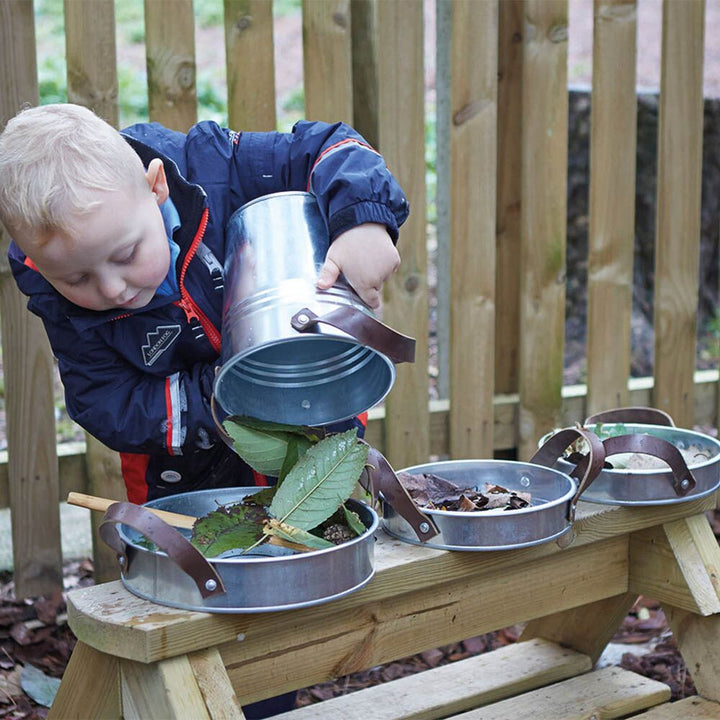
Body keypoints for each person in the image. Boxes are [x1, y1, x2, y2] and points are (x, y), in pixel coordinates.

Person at [0, 103, 409, 506]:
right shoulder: (62, 305)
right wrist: (227, 392)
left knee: (314, 539)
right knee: (205, 560)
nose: (110, 289)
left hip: (311, 417)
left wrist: (362, 221)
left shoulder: (215, 169)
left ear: (155, 187)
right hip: (184, 479)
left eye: (126, 255)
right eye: (77, 278)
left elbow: (329, 146)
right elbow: (109, 404)